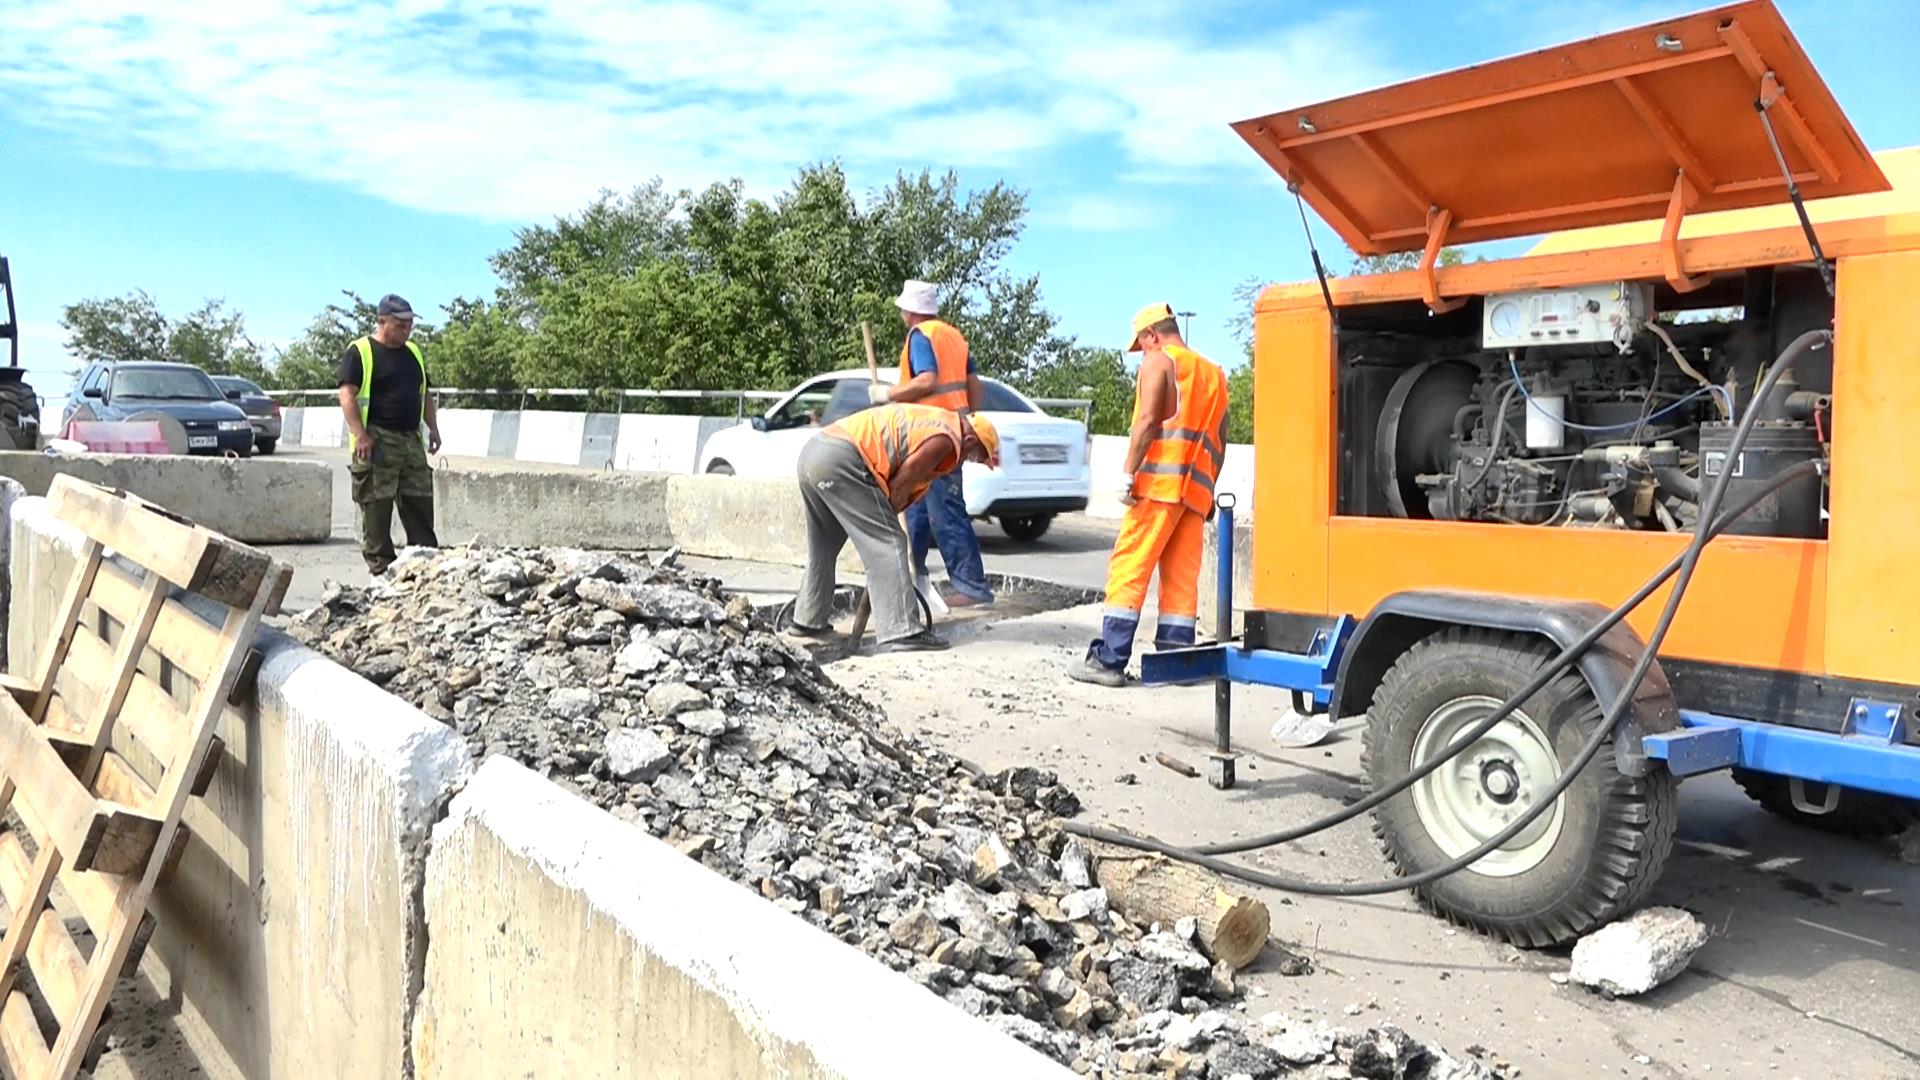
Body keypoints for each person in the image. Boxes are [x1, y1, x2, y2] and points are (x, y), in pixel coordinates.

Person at [1070, 302, 1229, 687]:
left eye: (1141, 344)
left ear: (1151, 335)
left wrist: (1128, 473)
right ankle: (1175, 663)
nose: (1141, 353)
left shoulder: (1160, 361)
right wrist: (1207, 491)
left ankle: (1109, 660)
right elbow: (1220, 443)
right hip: (1195, 496)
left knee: (1129, 567)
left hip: (1158, 487)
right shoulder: (1215, 375)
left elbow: (1147, 420)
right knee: (1181, 580)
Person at [786, 401, 1000, 652]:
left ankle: (808, 621)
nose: (968, 461)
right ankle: (901, 630)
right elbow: (905, 477)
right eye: (975, 457)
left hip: (815, 452)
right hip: (842, 459)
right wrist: (886, 515)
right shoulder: (946, 438)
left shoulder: (936, 422)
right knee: (889, 542)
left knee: (824, 545)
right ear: (971, 441)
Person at [867, 280, 995, 608]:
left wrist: (887, 394)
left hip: (931, 436)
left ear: (910, 310)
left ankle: (972, 587)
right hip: (954, 431)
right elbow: (975, 386)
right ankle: (913, 576)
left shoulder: (921, 336)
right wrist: (967, 419)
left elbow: (927, 380)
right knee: (917, 511)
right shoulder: (953, 336)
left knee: (945, 511)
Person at [337, 293, 443, 576]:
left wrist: (433, 428)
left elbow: (424, 394)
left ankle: (425, 563)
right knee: (376, 506)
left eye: (410, 325)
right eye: (400, 324)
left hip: (410, 440)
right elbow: (347, 395)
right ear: (382, 321)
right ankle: (381, 570)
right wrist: (360, 434)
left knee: (419, 500)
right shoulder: (361, 351)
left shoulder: (413, 353)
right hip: (376, 440)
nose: (407, 330)